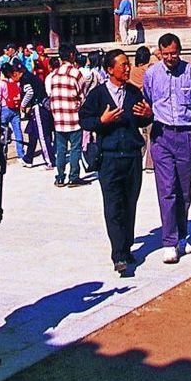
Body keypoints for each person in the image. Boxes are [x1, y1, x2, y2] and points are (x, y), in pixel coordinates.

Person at [81, 49, 149, 276]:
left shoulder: (133, 92)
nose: (127, 68)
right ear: (110, 69)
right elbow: (84, 119)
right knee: (113, 206)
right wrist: (101, 121)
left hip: (131, 156)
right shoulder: (98, 95)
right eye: (122, 65)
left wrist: (148, 114)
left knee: (130, 203)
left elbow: (144, 117)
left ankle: (127, 246)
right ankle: (118, 254)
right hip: (109, 158)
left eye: (128, 64)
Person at [141, 33, 191, 264]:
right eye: (165, 54)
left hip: (185, 133)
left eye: (173, 53)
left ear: (179, 51)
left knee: (183, 191)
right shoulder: (152, 74)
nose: (170, 58)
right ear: (160, 52)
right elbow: (148, 98)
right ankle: (169, 241)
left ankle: (183, 235)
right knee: (167, 189)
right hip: (161, 134)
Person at [47, 44, 87, 187]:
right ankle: (73, 176)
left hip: (58, 119)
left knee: (61, 149)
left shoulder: (54, 75)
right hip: (74, 117)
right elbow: (82, 95)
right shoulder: (76, 74)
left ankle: (60, 177)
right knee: (76, 148)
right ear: (71, 55)